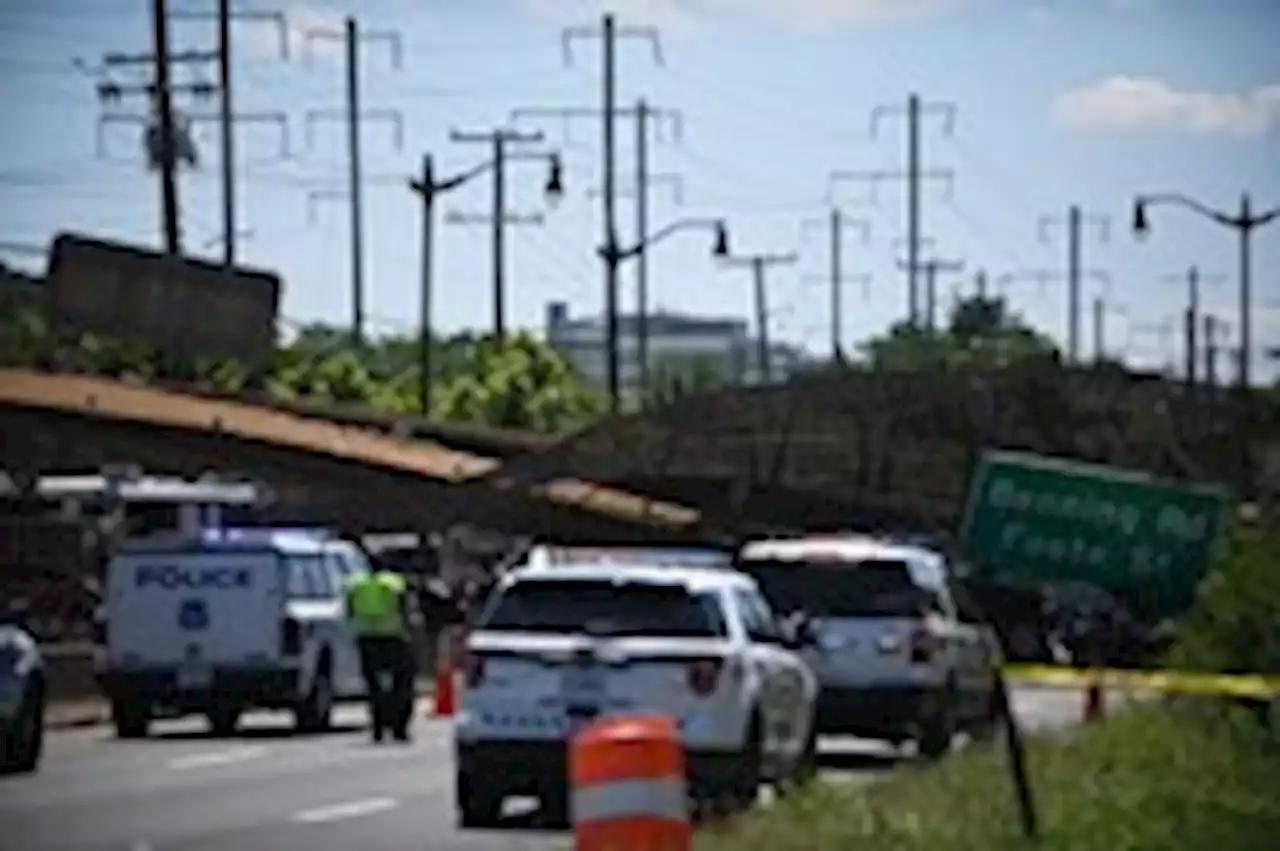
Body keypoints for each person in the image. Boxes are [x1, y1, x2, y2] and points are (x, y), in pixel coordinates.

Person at [344, 563, 416, 743]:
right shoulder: (394, 583)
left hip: (367, 637)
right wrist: (410, 631)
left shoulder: (357, 584)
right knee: (402, 683)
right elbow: (405, 608)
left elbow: (349, 610)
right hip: (394, 637)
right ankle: (399, 728)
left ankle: (378, 728)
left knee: (374, 686)